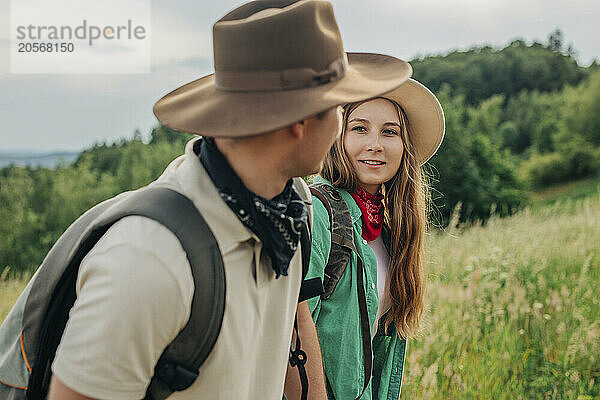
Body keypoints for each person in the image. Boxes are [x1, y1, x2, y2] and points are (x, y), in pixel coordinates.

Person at [43, 1, 414, 399]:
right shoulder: (150, 259)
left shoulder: (293, 211)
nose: (341, 124)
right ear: (299, 120)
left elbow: (296, 334)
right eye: (339, 106)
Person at [306, 78, 445, 400]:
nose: (375, 144)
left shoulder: (389, 228)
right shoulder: (316, 213)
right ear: (336, 137)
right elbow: (290, 337)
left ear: (403, 145)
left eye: (389, 132)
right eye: (359, 129)